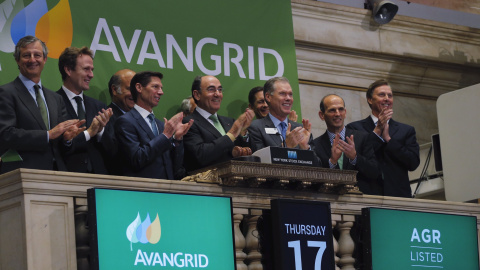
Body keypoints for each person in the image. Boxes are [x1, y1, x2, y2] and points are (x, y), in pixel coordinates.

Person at [0, 36, 84, 173]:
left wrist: (67, 139)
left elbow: (61, 143)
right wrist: (47, 135)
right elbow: (5, 135)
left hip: (58, 174)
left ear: (44, 59)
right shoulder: (5, 93)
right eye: (26, 55)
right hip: (22, 174)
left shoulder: (56, 99)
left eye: (37, 55)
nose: (32, 60)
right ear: (17, 60)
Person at [347, 79, 420, 198]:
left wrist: (389, 140)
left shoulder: (406, 130)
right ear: (370, 99)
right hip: (367, 195)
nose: (387, 98)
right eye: (382, 95)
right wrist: (377, 132)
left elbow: (413, 163)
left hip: (398, 197)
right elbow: (357, 159)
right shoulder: (355, 128)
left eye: (390, 96)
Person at [115, 71, 193, 179]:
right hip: (143, 190)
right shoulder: (125, 122)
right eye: (155, 87)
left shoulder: (160, 125)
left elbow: (176, 167)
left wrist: (177, 139)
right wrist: (165, 136)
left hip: (167, 190)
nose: (161, 92)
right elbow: (137, 159)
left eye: (161, 88)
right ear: (139, 88)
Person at [57, 46, 113, 174]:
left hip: (99, 180)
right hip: (67, 177)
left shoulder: (99, 107)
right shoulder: (53, 102)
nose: (91, 75)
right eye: (86, 69)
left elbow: (112, 150)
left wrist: (100, 132)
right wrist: (89, 133)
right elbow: (58, 146)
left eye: (92, 70)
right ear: (68, 70)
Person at [182, 75, 254, 172]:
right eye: (211, 90)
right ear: (197, 95)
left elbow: (248, 155)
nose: (217, 94)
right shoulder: (188, 123)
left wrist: (243, 132)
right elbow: (200, 156)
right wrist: (232, 134)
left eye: (220, 90)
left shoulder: (229, 122)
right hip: (207, 183)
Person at [311, 94, 380, 194]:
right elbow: (315, 180)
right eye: (332, 110)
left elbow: (375, 172)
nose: (338, 114)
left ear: (345, 112)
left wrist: (355, 158)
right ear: (322, 115)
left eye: (341, 109)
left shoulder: (363, 138)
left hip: (361, 199)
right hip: (330, 200)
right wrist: (332, 162)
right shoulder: (316, 145)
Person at [248, 77, 312, 153]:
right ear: (268, 97)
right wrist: (286, 146)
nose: (288, 98)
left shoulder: (301, 130)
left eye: (290, 94)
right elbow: (259, 160)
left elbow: (318, 164)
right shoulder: (255, 127)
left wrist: (306, 148)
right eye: (282, 94)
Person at [104, 69, 135, 175]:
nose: (135, 94)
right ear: (114, 90)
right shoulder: (105, 118)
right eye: (130, 89)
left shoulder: (142, 119)